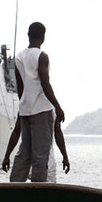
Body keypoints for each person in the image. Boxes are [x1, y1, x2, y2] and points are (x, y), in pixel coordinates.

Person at [9, 22, 65, 182]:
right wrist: (58, 107)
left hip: (25, 110)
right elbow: (45, 84)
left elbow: (20, 87)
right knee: (41, 156)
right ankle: (38, 192)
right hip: (41, 110)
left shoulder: (18, 57)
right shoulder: (42, 56)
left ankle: (14, 187)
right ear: (43, 37)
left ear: (28, 35)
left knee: (24, 154)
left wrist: (24, 104)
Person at [2, 115, 70, 181]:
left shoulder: (25, 107)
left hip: (38, 161)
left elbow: (16, 132)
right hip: (39, 161)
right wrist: (7, 156)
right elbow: (16, 132)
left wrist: (65, 157)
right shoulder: (26, 108)